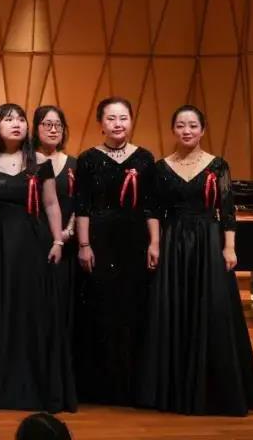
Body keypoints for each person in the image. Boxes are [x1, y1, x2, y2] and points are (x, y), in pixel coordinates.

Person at [137, 105, 253, 415]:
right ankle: (174, 390)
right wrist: (155, 243)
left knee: (213, 309)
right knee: (174, 308)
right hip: (174, 242)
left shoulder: (217, 165)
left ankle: (215, 391)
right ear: (173, 130)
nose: (187, 130)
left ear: (203, 130)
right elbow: (153, 210)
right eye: (181, 125)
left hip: (208, 241)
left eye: (193, 125)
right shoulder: (161, 167)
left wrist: (229, 247)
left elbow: (227, 210)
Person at [0, 103, 75, 412]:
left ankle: (33, 388)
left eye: (21, 119)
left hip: (33, 243)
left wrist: (58, 240)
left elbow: (51, 204)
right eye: (9, 119)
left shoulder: (40, 162)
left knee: (30, 314)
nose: (17, 124)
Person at [74, 97, 158, 406]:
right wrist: (84, 245)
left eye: (123, 117)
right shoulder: (87, 159)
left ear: (131, 120)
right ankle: (101, 387)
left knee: (134, 309)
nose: (118, 124)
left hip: (135, 241)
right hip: (100, 241)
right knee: (101, 310)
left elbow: (151, 206)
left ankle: (133, 386)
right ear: (101, 124)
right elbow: (82, 206)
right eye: (111, 118)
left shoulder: (145, 159)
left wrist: (155, 243)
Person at [32, 105, 76, 330]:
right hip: (34, 240)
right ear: (35, 128)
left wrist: (67, 232)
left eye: (58, 125)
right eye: (47, 124)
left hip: (68, 244)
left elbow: (81, 204)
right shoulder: (27, 162)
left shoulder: (75, 164)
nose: (53, 130)